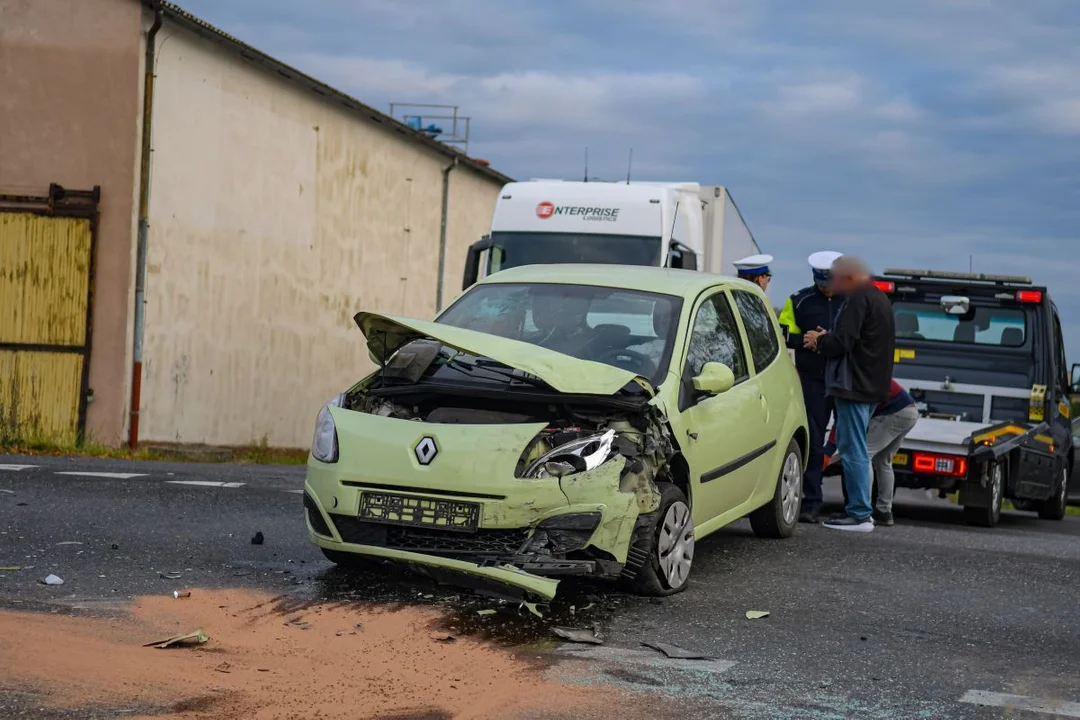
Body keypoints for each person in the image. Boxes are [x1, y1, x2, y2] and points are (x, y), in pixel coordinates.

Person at [804, 255, 896, 532]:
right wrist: (830, 335)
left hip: (854, 385)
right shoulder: (877, 298)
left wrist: (819, 340)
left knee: (853, 448)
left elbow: (844, 342)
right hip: (868, 385)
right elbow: (859, 339)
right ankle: (860, 511)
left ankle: (859, 513)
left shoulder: (858, 299)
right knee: (853, 446)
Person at [777, 250, 843, 523]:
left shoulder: (850, 301)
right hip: (812, 380)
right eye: (822, 285)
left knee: (851, 443)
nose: (827, 291)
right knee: (814, 442)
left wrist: (827, 339)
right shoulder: (799, 300)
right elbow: (783, 334)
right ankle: (812, 502)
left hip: (843, 380)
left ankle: (854, 507)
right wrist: (804, 339)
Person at [821, 379, 918, 526]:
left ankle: (861, 509)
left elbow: (842, 420)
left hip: (894, 410)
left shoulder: (846, 383)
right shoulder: (868, 374)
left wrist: (828, 450)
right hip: (909, 410)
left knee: (863, 454)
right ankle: (884, 511)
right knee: (884, 461)